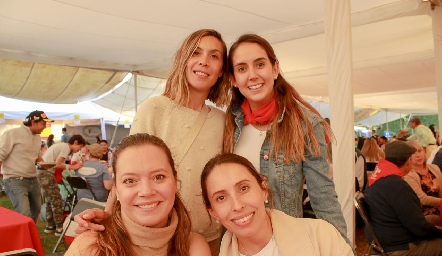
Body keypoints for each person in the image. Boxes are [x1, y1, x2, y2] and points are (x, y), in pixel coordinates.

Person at [74, 29, 230, 255]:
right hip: (157, 238)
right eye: (196, 53)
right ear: (183, 60)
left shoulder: (222, 120)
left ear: (221, 71)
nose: (204, 61)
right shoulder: (155, 109)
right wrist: (108, 217)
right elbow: (127, 170)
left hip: (209, 237)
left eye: (214, 56)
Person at [222, 34, 350, 246]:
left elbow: (323, 196)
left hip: (285, 243)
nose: (252, 75)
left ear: (275, 69)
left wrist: (343, 248)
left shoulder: (305, 124)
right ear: (233, 79)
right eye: (242, 68)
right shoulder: (228, 123)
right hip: (237, 243)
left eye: (260, 64)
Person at [64, 133, 210, 256]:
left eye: (158, 177)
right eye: (129, 180)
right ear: (117, 191)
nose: (146, 191)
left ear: (175, 181)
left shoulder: (195, 247)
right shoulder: (89, 248)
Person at [200, 153, 353, 256]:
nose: (237, 205)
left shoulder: (321, 236)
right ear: (213, 213)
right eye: (221, 198)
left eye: (244, 188)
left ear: (264, 189)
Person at [364, 140, 442, 255]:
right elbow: (417, 227)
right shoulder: (397, 185)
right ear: (407, 161)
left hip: (383, 235)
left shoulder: (377, 176)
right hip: (398, 245)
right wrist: (438, 231)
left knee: (435, 219)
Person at [0, 110, 54, 223]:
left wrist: (44, 164)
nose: (45, 126)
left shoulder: (38, 137)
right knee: (23, 212)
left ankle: (28, 236)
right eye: (43, 123)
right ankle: (21, 238)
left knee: (36, 210)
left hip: (33, 179)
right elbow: (1, 155)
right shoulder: (12, 134)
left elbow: (37, 157)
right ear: (34, 122)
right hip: (14, 180)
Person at [38, 134, 85, 236]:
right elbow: (57, 164)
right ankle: (59, 228)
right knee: (56, 200)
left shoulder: (61, 145)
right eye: (80, 147)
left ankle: (50, 226)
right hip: (46, 172)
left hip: (42, 172)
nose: (79, 150)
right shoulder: (66, 147)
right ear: (75, 142)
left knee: (50, 200)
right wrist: (72, 167)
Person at [404, 140, 442, 224]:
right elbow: (422, 200)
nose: (418, 155)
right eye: (413, 153)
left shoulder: (434, 168)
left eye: (419, 151)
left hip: (440, 207)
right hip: (424, 212)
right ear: (407, 157)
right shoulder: (408, 174)